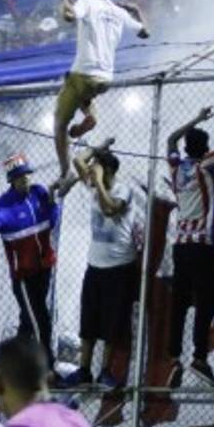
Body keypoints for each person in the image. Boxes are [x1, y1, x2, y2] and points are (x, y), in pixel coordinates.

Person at [164, 83, 214, 386]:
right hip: (204, 246)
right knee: (206, 302)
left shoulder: (176, 168)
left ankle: (173, 359)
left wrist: (195, 119)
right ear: (206, 147)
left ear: (186, 149)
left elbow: (171, 138)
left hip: (180, 246)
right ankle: (199, 358)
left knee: (180, 303)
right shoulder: (209, 165)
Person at [53, 0, 149, 180]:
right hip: (105, 79)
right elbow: (145, 33)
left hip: (83, 73)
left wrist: (65, 2)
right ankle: (91, 117)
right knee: (83, 94)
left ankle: (64, 171)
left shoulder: (86, 2)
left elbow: (69, 17)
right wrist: (136, 11)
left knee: (59, 124)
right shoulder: (118, 10)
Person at [0, 155, 60, 371]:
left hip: (44, 269)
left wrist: (54, 201)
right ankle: (47, 367)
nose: (25, 180)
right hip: (24, 276)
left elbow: (52, 215)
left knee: (28, 321)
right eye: (20, 177)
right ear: (12, 181)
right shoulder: (6, 205)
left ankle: (12, 365)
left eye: (27, 175)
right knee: (41, 318)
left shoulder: (38, 193)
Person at [67, 148, 138, 386]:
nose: (90, 169)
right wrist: (97, 150)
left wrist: (97, 180)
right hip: (95, 266)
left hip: (118, 267)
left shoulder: (123, 190)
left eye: (96, 166)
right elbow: (77, 160)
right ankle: (84, 370)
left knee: (112, 323)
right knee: (88, 322)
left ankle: (105, 371)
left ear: (107, 170)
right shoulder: (95, 185)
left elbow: (109, 209)